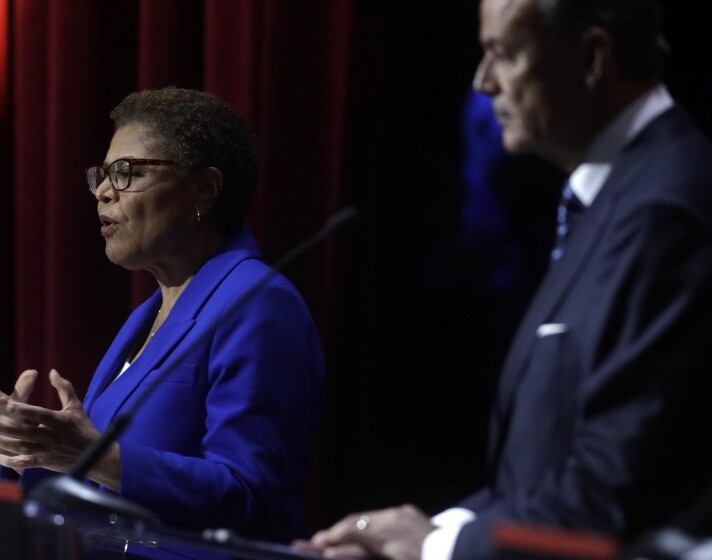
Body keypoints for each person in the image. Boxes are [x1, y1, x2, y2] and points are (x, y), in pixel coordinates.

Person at [300, 0, 712, 558]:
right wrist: (428, 532)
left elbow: (616, 490)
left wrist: (440, 549)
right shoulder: (613, 197)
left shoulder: (665, 209)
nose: (483, 81)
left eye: (504, 53)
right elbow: (545, 467)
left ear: (593, 56)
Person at [0, 87, 326, 548]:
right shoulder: (143, 318)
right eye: (103, 176)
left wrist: (93, 456)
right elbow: (97, 490)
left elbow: (252, 496)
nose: (104, 192)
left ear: (206, 188)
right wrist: (22, 446)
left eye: (128, 173)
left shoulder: (258, 303)